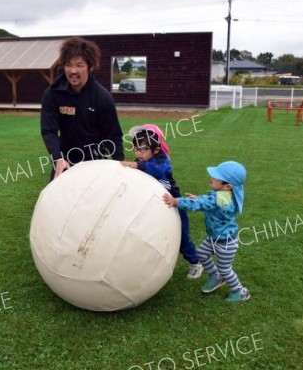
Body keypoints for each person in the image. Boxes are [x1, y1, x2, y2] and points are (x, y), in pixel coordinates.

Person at [121, 124, 203, 279]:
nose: (138, 153)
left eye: (143, 149)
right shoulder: (140, 160)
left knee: (181, 236)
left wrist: (137, 165)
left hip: (174, 205)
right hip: (153, 207)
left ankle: (195, 262)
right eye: (136, 148)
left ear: (156, 149)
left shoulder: (162, 161)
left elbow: (156, 170)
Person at [162, 161, 250, 302]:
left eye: (216, 177)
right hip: (215, 238)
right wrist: (199, 198)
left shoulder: (218, 198)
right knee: (202, 253)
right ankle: (216, 277)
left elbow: (200, 204)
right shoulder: (226, 195)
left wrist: (176, 201)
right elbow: (207, 202)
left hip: (225, 242)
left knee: (225, 269)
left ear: (227, 186)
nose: (211, 177)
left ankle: (240, 292)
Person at [40, 36, 124, 180]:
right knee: (56, 199)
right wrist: (58, 158)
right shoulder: (53, 93)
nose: (73, 70)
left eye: (79, 65)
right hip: (65, 160)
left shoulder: (102, 97)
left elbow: (114, 136)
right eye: (68, 65)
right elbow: (49, 130)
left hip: (95, 161)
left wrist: (119, 167)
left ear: (90, 67)